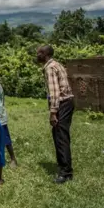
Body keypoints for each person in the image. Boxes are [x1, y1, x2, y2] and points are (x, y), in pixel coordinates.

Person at [37, 45, 74, 184]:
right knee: (59, 134)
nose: (37, 55)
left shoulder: (49, 67)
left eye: (39, 53)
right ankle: (64, 165)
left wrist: (53, 112)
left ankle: (65, 172)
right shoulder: (56, 64)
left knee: (60, 137)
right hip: (67, 102)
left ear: (45, 54)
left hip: (62, 104)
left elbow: (54, 92)